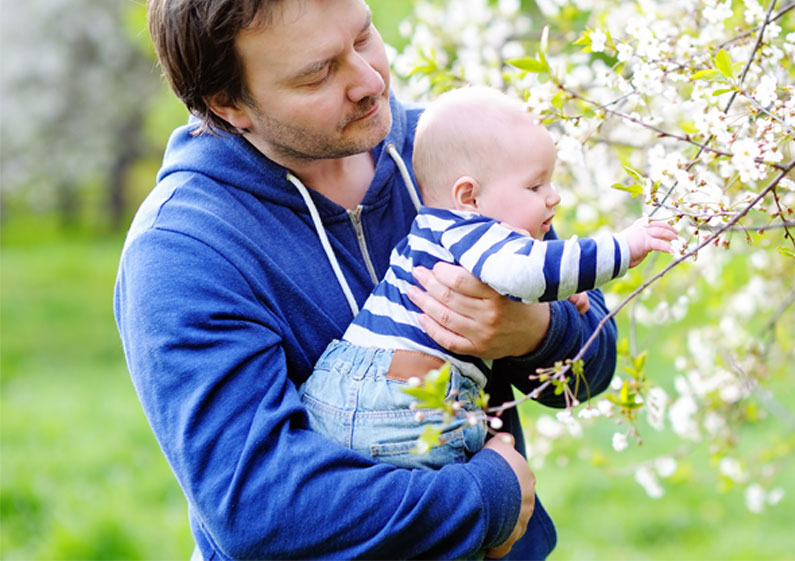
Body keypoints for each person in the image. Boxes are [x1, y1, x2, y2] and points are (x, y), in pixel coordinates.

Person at [114, 0, 620, 558]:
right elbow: (260, 506)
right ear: (229, 103)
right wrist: (487, 500)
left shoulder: (448, 157)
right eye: (318, 73)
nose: (369, 79)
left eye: (363, 36)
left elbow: (592, 366)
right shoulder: (184, 250)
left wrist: (533, 331)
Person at [299, 86, 677, 470]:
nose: (554, 198)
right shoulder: (475, 232)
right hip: (401, 400)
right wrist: (626, 247)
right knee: (449, 493)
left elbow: (556, 303)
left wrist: (551, 307)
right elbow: (529, 272)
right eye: (535, 186)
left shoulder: (441, 227)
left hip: (340, 388)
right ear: (469, 196)